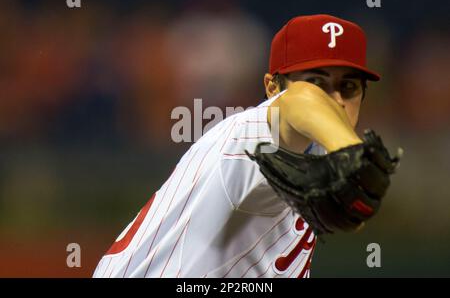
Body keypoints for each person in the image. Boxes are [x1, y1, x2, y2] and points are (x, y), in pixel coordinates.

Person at [93, 14, 384, 278]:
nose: (335, 100)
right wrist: (351, 151)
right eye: (316, 82)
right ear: (272, 89)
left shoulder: (320, 161)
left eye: (348, 87)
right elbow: (297, 103)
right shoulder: (249, 138)